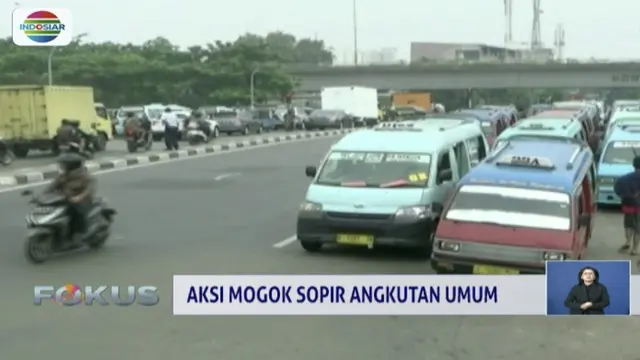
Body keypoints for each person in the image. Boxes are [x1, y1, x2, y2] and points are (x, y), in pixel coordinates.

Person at [45, 153, 97, 242]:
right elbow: (51, 188)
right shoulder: (63, 176)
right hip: (65, 199)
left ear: (71, 166)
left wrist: (79, 197)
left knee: (75, 212)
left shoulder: (86, 177)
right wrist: (41, 196)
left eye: (64, 164)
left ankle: (80, 232)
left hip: (82, 201)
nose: (62, 166)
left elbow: (89, 191)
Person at [613, 155, 640, 255]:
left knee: (628, 224)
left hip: (628, 204)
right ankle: (635, 249)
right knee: (638, 227)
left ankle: (628, 241)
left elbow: (617, 189)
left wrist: (623, 196)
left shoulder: (624, 178)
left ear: (633, 165)